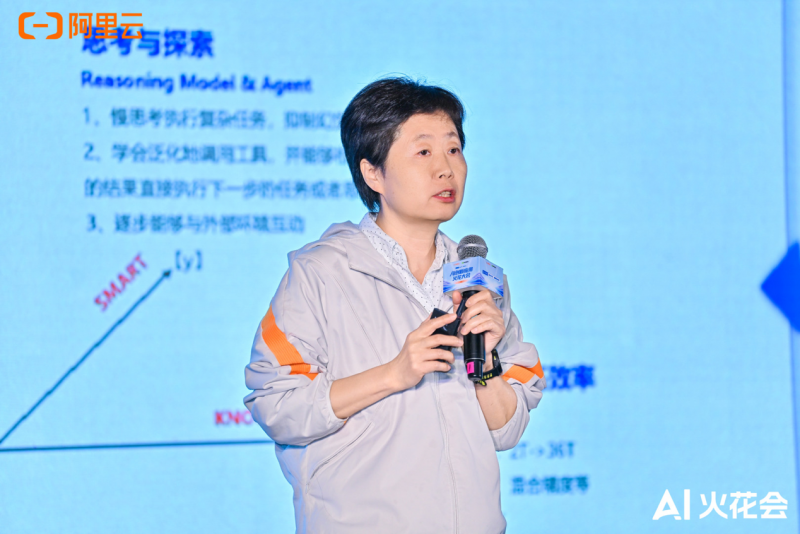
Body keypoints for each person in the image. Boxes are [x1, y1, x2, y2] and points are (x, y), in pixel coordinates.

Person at [244, 77, 546, 534]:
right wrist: (394, 374)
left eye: (454, 149)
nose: (446, 169)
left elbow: (507, 430)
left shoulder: (482, 282)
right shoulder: (321, 272)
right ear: (373, 174)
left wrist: (485, 367)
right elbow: (277, 405)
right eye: (423, 152)